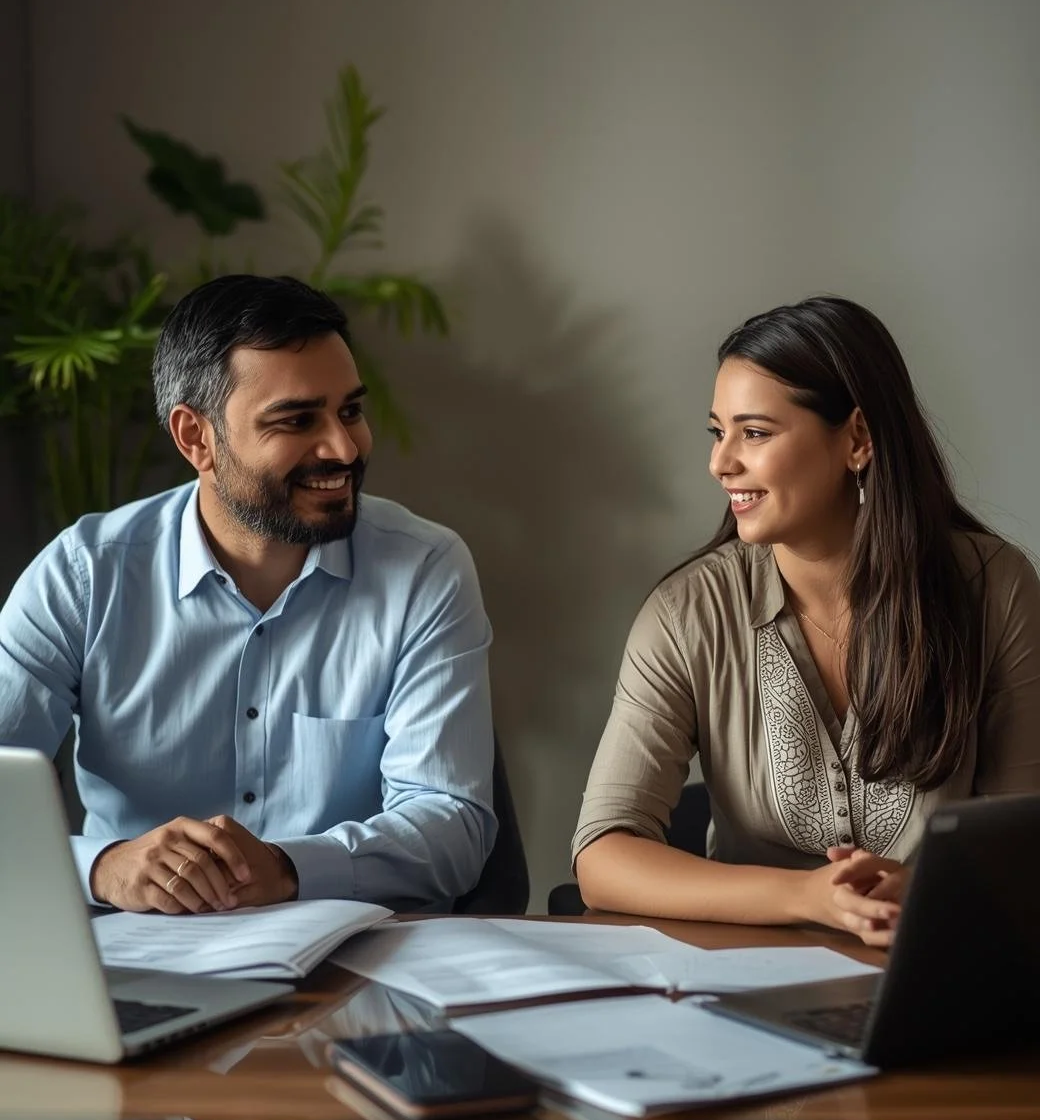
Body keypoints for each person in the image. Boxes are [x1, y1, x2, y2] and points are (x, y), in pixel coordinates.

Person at [0, 274, 496, 913]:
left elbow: (454, 826)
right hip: (136, 961)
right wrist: (101, 867)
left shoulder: (425, 569)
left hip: (353, 966)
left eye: (350, 410)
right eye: (297, 419)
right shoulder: (84, 576)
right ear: (195, 438)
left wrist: (290, 867)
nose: (344, 447)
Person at [573, 296, 1040, 946]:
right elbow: (603, 857)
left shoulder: (996, 588)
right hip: (739, 993)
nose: (721, 462)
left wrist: (928, 884)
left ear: (856, 439)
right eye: (718, 431)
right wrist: (809, 897)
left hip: (935, 972)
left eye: (755, 433)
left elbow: (1023, 837)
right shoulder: (688, 613)